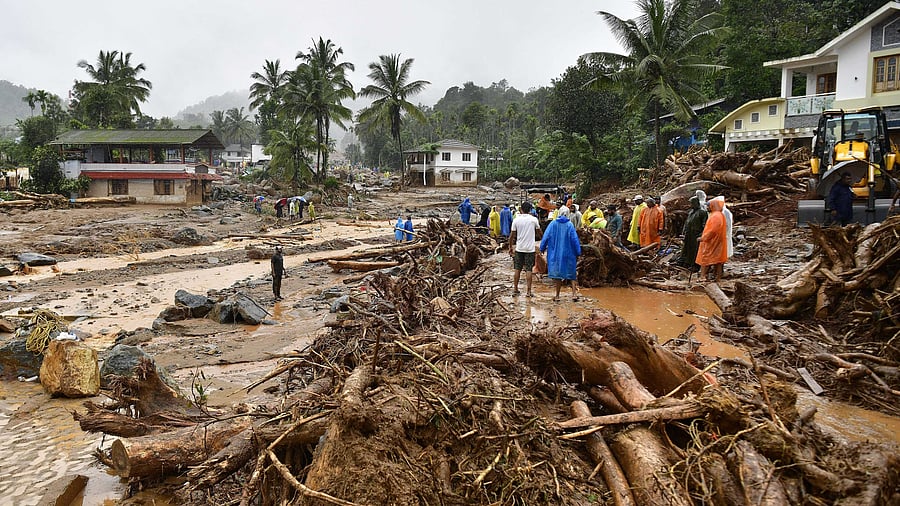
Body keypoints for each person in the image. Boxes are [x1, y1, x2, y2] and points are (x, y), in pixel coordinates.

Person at [540, 206, 582, 302]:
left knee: (558, 274)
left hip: (555, 253)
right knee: (572, 272)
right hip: (569, 253)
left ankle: (557, 295)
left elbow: (545, 237)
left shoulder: (552, 224)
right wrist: (578, 252)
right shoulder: (570, 225)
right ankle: (574, 294)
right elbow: (574, 239)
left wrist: (542, 248)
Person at [509, 201, 541, 297]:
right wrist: (543, 243)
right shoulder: (534, 220)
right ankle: (529, 292)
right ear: (530, 210)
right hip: (530, 249)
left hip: (519, 248)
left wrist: (510, 247)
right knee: (529, 269)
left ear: (521, 209)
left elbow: (511, 236)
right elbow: (539, 232)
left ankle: (515, 289)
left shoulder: (516, 220)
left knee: (517, 269)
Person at [696, 198, 728, 282]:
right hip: (718, 241)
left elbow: (713, 230)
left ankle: (703, 276)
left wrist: (703, 238)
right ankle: (718, 276)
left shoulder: (715, 216)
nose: (707, 207)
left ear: (713, 206)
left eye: (708, 206)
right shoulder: (719, 215)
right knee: (718, 259)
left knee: (705, 258)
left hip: (712, 241)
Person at [678, 196, 707, 271]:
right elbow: (686, 223)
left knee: (695, 250)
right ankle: (687, 263)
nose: (690, 205)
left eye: (691, 203)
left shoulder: (702, 212)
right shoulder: (691, 212)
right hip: (689, 234)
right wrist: (683, 232)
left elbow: (705, 225)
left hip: (696, 235)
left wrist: (702, 234)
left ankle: (695, 265)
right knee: (687, 249)